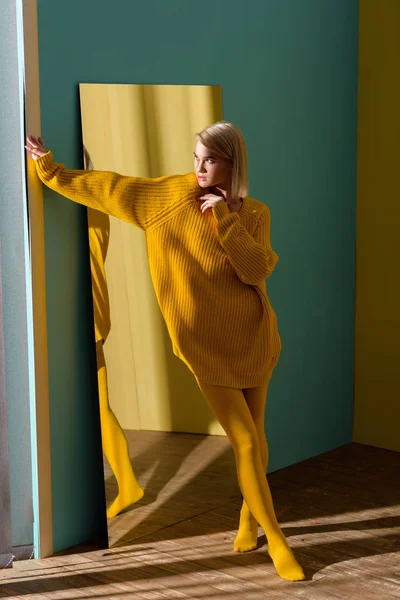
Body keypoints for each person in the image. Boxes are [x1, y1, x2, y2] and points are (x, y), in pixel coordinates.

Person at [25, 122, 305, 582]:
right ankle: (276, 540)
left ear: (232, 164)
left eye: (209, 160)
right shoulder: (170, 198)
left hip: (255, 337)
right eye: (195, 157)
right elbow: (113, 188)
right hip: (205, 345)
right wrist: (50, 171)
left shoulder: (254, 213)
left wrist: (226, 219)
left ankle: (247, 518)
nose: (198, 167)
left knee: (256, 435)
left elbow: (257, 271)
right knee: (247, 441)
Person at [83, 147, 144, 518]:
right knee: (99, 406)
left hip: (81, 315)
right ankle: (127, 483)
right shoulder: (99, 201)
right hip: (94, 313)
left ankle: (126, 484)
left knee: (96, 407)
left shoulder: (77, 204)